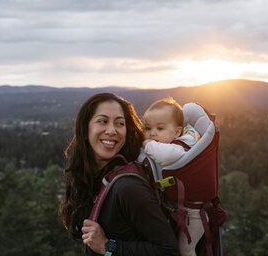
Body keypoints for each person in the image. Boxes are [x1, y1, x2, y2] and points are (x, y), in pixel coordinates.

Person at [60, 93, 179, 256]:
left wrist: (108, 247)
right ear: (85, 130)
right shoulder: (97, 178)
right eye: (102, 121)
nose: (111, 130)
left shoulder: (128, 187)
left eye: (119, 123)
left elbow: (169, 251)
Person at [142, 97, 203, 256]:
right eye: (148, 128)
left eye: (160, 128)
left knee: (185, 249)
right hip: (182, 209)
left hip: (196, 214)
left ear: (177, 132)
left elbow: (166, 156)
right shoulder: (168, 143)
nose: (152, 133)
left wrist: (147, 144)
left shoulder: (179, 147)